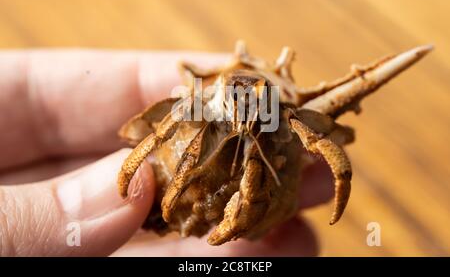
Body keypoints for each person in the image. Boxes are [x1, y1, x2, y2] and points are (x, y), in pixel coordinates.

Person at [0, 50, 334, 256]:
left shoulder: (280, 116)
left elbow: (328, 152)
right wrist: (137, 173)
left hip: (270, 124)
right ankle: (172, 198)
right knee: (181, 147)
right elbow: (164, 130)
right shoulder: (200, 105)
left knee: (256, 163)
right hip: (203, 123)